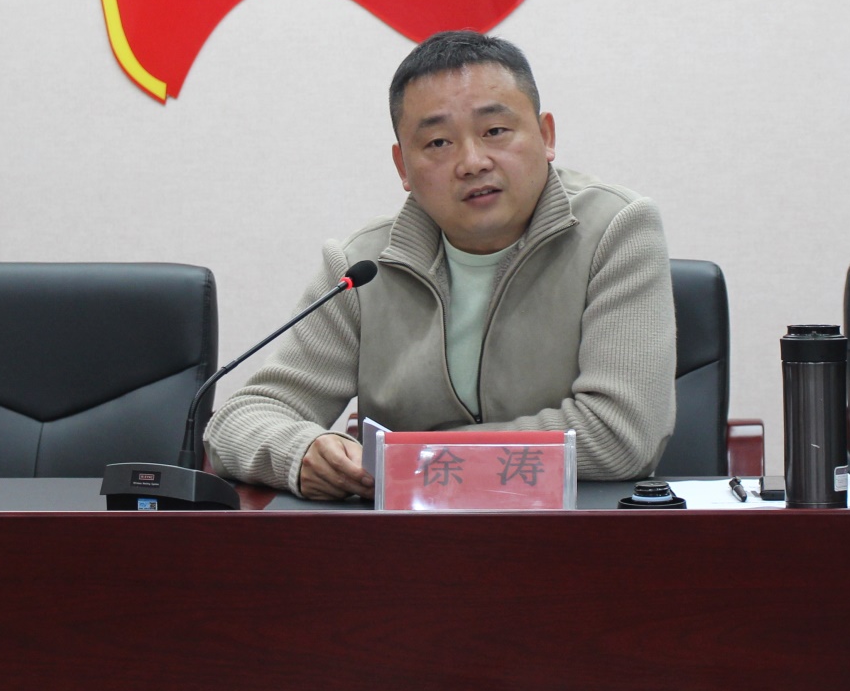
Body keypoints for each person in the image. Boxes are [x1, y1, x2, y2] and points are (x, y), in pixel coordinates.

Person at [204, 30, 676, 499]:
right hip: (410, 539)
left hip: (570, 531)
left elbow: (621, 435)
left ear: (546, 135)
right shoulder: (362, 267)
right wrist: (301, 451)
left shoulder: (615, 230)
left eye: (495, 131)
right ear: (403, 167)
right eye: (437, 143)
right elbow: (238, 422)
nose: (472, 162)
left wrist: (405, 458)